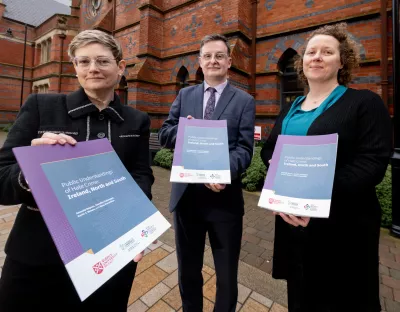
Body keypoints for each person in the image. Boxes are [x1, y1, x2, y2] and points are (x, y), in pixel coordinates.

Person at [0, 30, 154, 310]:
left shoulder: (136, 120)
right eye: (83, 62)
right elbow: (2, 176)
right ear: (75, 68)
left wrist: (138, 227)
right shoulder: (41, 106)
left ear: (120, 67)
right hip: (38, 254)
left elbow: (141, 175)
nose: (92, 68)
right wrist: (31, 172)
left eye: (102, 61)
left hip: (108, 254)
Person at [260, 23, 392, 312]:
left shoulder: (363, 103)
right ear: (303, 61)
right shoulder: (291, 106)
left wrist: (314, 193)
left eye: (327, 52)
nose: (317, 57)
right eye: (311, 52)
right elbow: (269, 150)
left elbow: (372, 163)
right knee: (300, 295)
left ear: (342, 61)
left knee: (341, 299)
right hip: (292, 223)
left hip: (342, 225)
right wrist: (278, 172)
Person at [159, 34, 255, 312]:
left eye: (219, 55)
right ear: (200, 62)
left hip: (223, 201)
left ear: (228, 61)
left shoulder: (244, 101)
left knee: (226, 275)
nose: (213, 60)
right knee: (188, 270)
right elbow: (165, 134)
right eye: (208, 56)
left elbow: (245, 149)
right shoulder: (184, 95)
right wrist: (183, 132)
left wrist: (222, 173)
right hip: (186, 198)